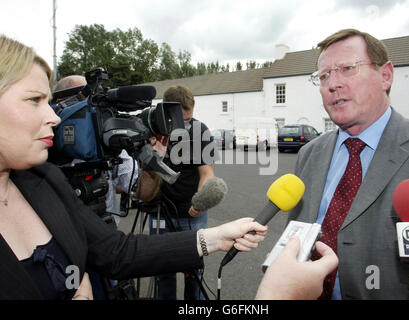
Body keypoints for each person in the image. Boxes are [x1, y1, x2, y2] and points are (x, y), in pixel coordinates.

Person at [0, 34, 268, 300]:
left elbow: (117, 252)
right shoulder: (48, 173)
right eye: (34, 100)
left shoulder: (44, 181)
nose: (53, 118)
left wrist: (216, 238)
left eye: (48, 103)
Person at [287, 28, 409, 300]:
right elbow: (296, 237)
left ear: (386, 75)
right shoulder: (309, 154)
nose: (332, 83)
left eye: (347, 68)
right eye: (324, 75)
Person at [147, 85, 216, 300]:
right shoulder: (153, 131)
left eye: (189, 118)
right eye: (182, 120)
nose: (186, 125)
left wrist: (200, 203)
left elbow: (207, 173)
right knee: (163, 272)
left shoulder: (200, 130)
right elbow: (142, 177)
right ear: (167, 112)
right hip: (159, 212)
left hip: (192, 213)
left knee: (194, 273)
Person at [54, 75, 139, 227]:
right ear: (62, 103)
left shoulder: (108, 143)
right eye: (87, 99)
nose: (94, 107)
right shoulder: (41, 149)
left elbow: (138, 190)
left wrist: (152, 159)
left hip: (107, 234)